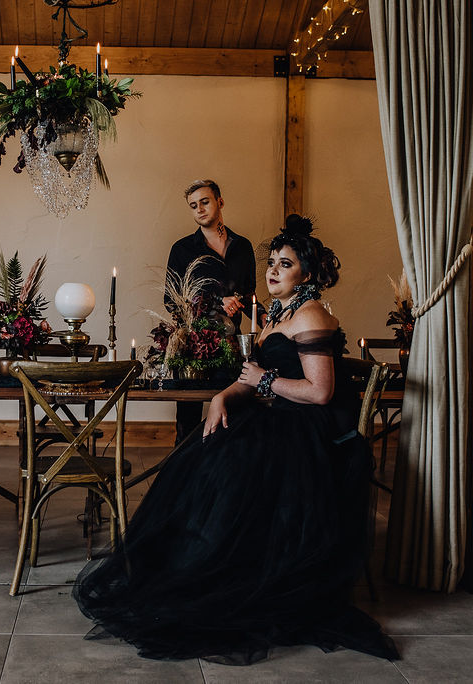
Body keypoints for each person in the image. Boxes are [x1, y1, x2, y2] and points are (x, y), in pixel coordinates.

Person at [74, 215, 399, 665]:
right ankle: (192, 573)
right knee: (203, 454)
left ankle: (230, 578)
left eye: (284, 265)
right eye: (271, 262)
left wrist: (263, 382)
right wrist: (222, 396)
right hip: (279, 413)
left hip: (311, 430)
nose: (272, 270)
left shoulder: (311, 314)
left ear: (306, 273)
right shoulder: (276, 314)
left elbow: (320, 392)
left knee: (231, 465)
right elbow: (251, 378)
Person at [166, 179, 257, 444]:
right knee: (187, 421)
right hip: (194, 346)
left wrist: (266, 317)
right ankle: (181, 474)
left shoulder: (243, 246)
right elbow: (172, 301)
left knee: (234, 414)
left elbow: (249, 295)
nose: (199, 210)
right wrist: (218, 301)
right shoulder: (181, 250)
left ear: (220, 201)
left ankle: (224, 473)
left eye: (204, 202)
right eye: (193, 206)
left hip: (233, 344)